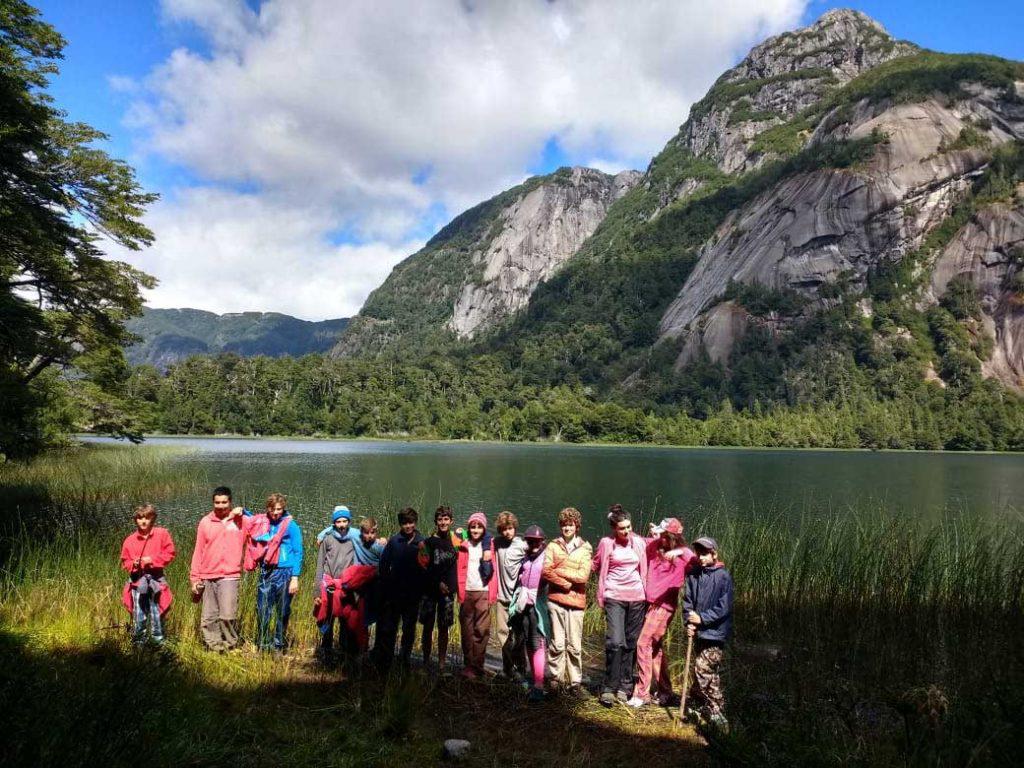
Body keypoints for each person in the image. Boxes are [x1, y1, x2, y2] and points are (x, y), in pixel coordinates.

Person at [628, 518, 695, 708]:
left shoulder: (683, 555)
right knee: (654, 648)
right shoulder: (656, 545)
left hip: (663, 607)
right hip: (649, 605)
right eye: (660, 534)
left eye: (665, 535)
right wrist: (622, 524)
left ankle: (642, 693)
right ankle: (665, 690)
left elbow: (701, 561)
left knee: (642, 644)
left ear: (674, 536)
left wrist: (680, 551)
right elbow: (635, 539)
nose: (661, 538)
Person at [593, 504, 648, 707]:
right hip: (614, 596)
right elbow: (596, 563)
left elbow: (658, 548)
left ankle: (625, 687)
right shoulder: (606, 543)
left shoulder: (639, 543)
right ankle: (609, 686)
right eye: (622, 528)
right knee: (615, 641)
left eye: (629, 526)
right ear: (614, 528)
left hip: (637, 598)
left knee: (631, 642)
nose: (626, 531)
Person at [190, 486, 250, 651]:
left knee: (227, 615)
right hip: (207, 574)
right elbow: (198, 551)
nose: (221, 506)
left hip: (230, 574)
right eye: (217, 502)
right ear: (213, 502)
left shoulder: (241, 520)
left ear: (230, 502)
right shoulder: (205, 522)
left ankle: (231, 644)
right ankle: (215, 647)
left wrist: (245, 511)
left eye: (224, 502)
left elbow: (262, 525)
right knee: (209, 616)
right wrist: (195, 578)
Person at [684, 536, 734, 729]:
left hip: (715, 634)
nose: (701, 557)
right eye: (699, 554)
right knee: (706, 673)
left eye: (705, 554)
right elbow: (688, 603)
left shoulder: (723, 577)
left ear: (714, 554)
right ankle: (700, 704)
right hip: (698, 633)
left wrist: (702, 618)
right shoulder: (693, 575)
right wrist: (689, 621)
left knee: (703, 668)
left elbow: (724, 607)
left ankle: (716, 709)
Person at [542, 506, 592, 696]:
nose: (567, 528)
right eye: (564, 525)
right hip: (555, 600)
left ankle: (575, 682)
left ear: (576, 526)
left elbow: (583, 577)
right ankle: (555, 678)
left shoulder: (585, 548)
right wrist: (564, 583)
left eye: (570, 524)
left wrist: (559, 569)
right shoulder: (553, 546)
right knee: (557, 643)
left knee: (574, 645)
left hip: (577, 603)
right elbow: (546, 571)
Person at [246, 492, 304, 652]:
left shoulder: (291, 525)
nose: (276, 513)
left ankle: (278, 644)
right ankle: (263, 644)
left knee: (282, 610)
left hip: (285, 572)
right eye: (272, 509)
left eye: (279, 509)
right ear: (268, 509)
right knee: (263, 609)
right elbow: (252, 522)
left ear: (283, 508)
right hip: (267, 571)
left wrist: (295, 577)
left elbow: (298, 551)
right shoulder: (264, 521)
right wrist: (243, 512)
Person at [373, 507, 424, 671]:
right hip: (394, 594)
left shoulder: (421, 542)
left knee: (409, 629)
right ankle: (386, 660)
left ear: (415, 523)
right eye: (404, 523)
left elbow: (426, 567)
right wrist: (386, 587)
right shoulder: (394, 541)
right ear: (400, 524)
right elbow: (383, 565)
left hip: (413, 595)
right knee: (390, 627)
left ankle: (404, 659)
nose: (408, 526)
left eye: (410, 523)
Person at [119, 504, 176, 645]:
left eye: (147, 517)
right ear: (135, 520)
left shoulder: (162, 534)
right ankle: (139, 644)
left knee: (157, 614)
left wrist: (151, 560)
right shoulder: (129, 540)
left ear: (153, 519)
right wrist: (134, 564)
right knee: (139, 616)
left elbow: (170, 553)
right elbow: (125, 562)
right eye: (140, 518)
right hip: (137, 581)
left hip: (156, 580)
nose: (143, 521)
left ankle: (158, 643)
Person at [507, 525, 550, 703]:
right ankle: (534, 679)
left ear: (542, 542)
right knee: (526, 641)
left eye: (536, 541)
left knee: (538, 641)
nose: (533, 544)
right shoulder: (524, 557)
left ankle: (539, 685)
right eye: (530, 541)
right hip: (523, 604)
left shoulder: (546, 558)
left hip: (538, 604)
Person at [417, 506, 459, 673]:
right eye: (440, 520)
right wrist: (437, 583)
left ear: (451, 521)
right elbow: (423, 569)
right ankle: (425, 662)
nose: (443, 522)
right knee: (427, 627)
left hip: (448, 593)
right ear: (436, 522)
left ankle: (441, 664)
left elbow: (476, 537)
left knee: (443, 628)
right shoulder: (427, 543)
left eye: (446, 519)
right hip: (430, 592)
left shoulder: (456, 541)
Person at [456, 511, 497, 678]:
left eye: (479, 527)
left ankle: (478, 665)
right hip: (466, 591)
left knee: (482, 630)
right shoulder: (462, 543)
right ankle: (468, 665)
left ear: (484, 529)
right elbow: (445, 536)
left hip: (484, 591)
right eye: (473, 526)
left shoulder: (490, 545)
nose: (476, 530)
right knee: (467, 631)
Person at [314, 506, 357, 663]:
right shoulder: (328, 539)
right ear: (334, 523)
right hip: (328, 586)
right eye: (338, 521)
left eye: (345, 521)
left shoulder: (355, 539)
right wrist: (317, 592)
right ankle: (326, 652)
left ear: (349, 522)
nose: (342, 525)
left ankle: (344, 653)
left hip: (346, 586)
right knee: (327, 620)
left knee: (346, 622)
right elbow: (320, 565)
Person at [493, 511, 526, 667]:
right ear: (500, 530)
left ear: (515, 528)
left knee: (519, 635)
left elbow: (538, 551)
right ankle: (508, 668)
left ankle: (521, 667)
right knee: (502, 634)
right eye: (504, 529)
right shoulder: (497, 542)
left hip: (517, 599)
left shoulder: (522, 545)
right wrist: (462, 533)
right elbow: (481, 539)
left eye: (510, 528)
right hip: (501, 598)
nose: (508, 532)